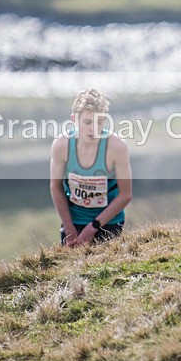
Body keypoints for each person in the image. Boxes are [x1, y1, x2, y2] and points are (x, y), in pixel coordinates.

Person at [49, 88, 132, 247]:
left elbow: (126, 195)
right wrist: (69, 227)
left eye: (99, 122)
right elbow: (55, 187)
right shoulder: (61, 146)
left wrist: (93, 227)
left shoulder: (117, 147)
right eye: (87, 122)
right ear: (74, 120)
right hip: (73, 222)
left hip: (109, 222)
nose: (93, 129)